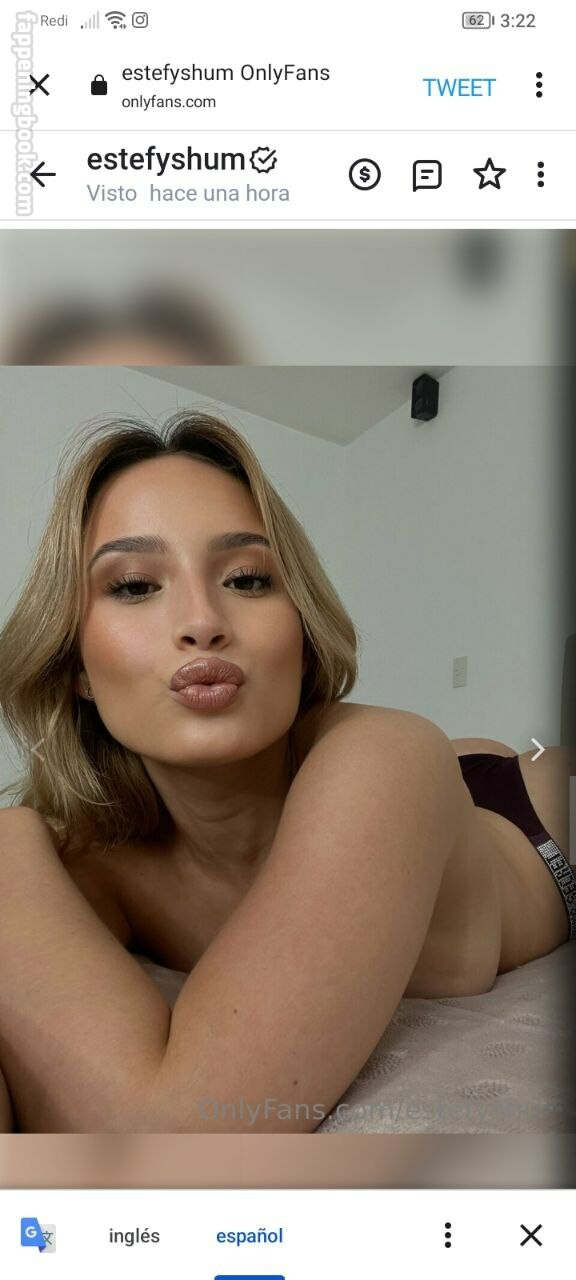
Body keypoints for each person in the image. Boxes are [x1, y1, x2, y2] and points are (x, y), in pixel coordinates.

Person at [0, 410, 574, 1134]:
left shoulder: (382, 756)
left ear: (301, 633)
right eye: (136, 586)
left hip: (528, 816)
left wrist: (8, 834)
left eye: (246, 578)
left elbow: (180, 1133)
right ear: (76, 666)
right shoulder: (96, 867)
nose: (202, 620)